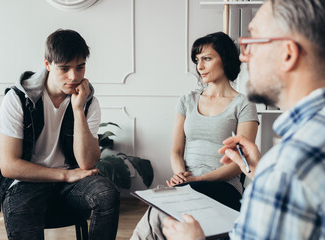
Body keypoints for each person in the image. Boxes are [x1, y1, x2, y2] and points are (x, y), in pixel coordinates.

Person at [162, 0, 325, 239]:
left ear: (287, 54)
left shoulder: (286, 168)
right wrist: (259, 172)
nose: (245, 57)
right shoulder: (300, 150)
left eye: (253, 42)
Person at [0, 29, 120, 240]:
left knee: (107, 194)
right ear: (47, 64)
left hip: (72, 182)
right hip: (26, 182)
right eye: (64, 68)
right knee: (20, 209)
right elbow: (9, 166)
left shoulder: (88, 101)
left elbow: (86, 163)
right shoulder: (18, 98)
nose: (74, 76)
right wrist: (64, 174)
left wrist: (78, 110)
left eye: (80, 67)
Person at [131, 32, 258, 240]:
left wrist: (198, 179)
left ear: (224, 59)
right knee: (161, 210)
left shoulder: (243, 104)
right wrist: (181, 175)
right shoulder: (187, 100)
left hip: (223, 186)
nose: (200, 67)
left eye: (207, 59)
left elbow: (242, 162)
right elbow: (176, 150)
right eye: (197, 60)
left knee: (160, 212)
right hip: (188, 183)